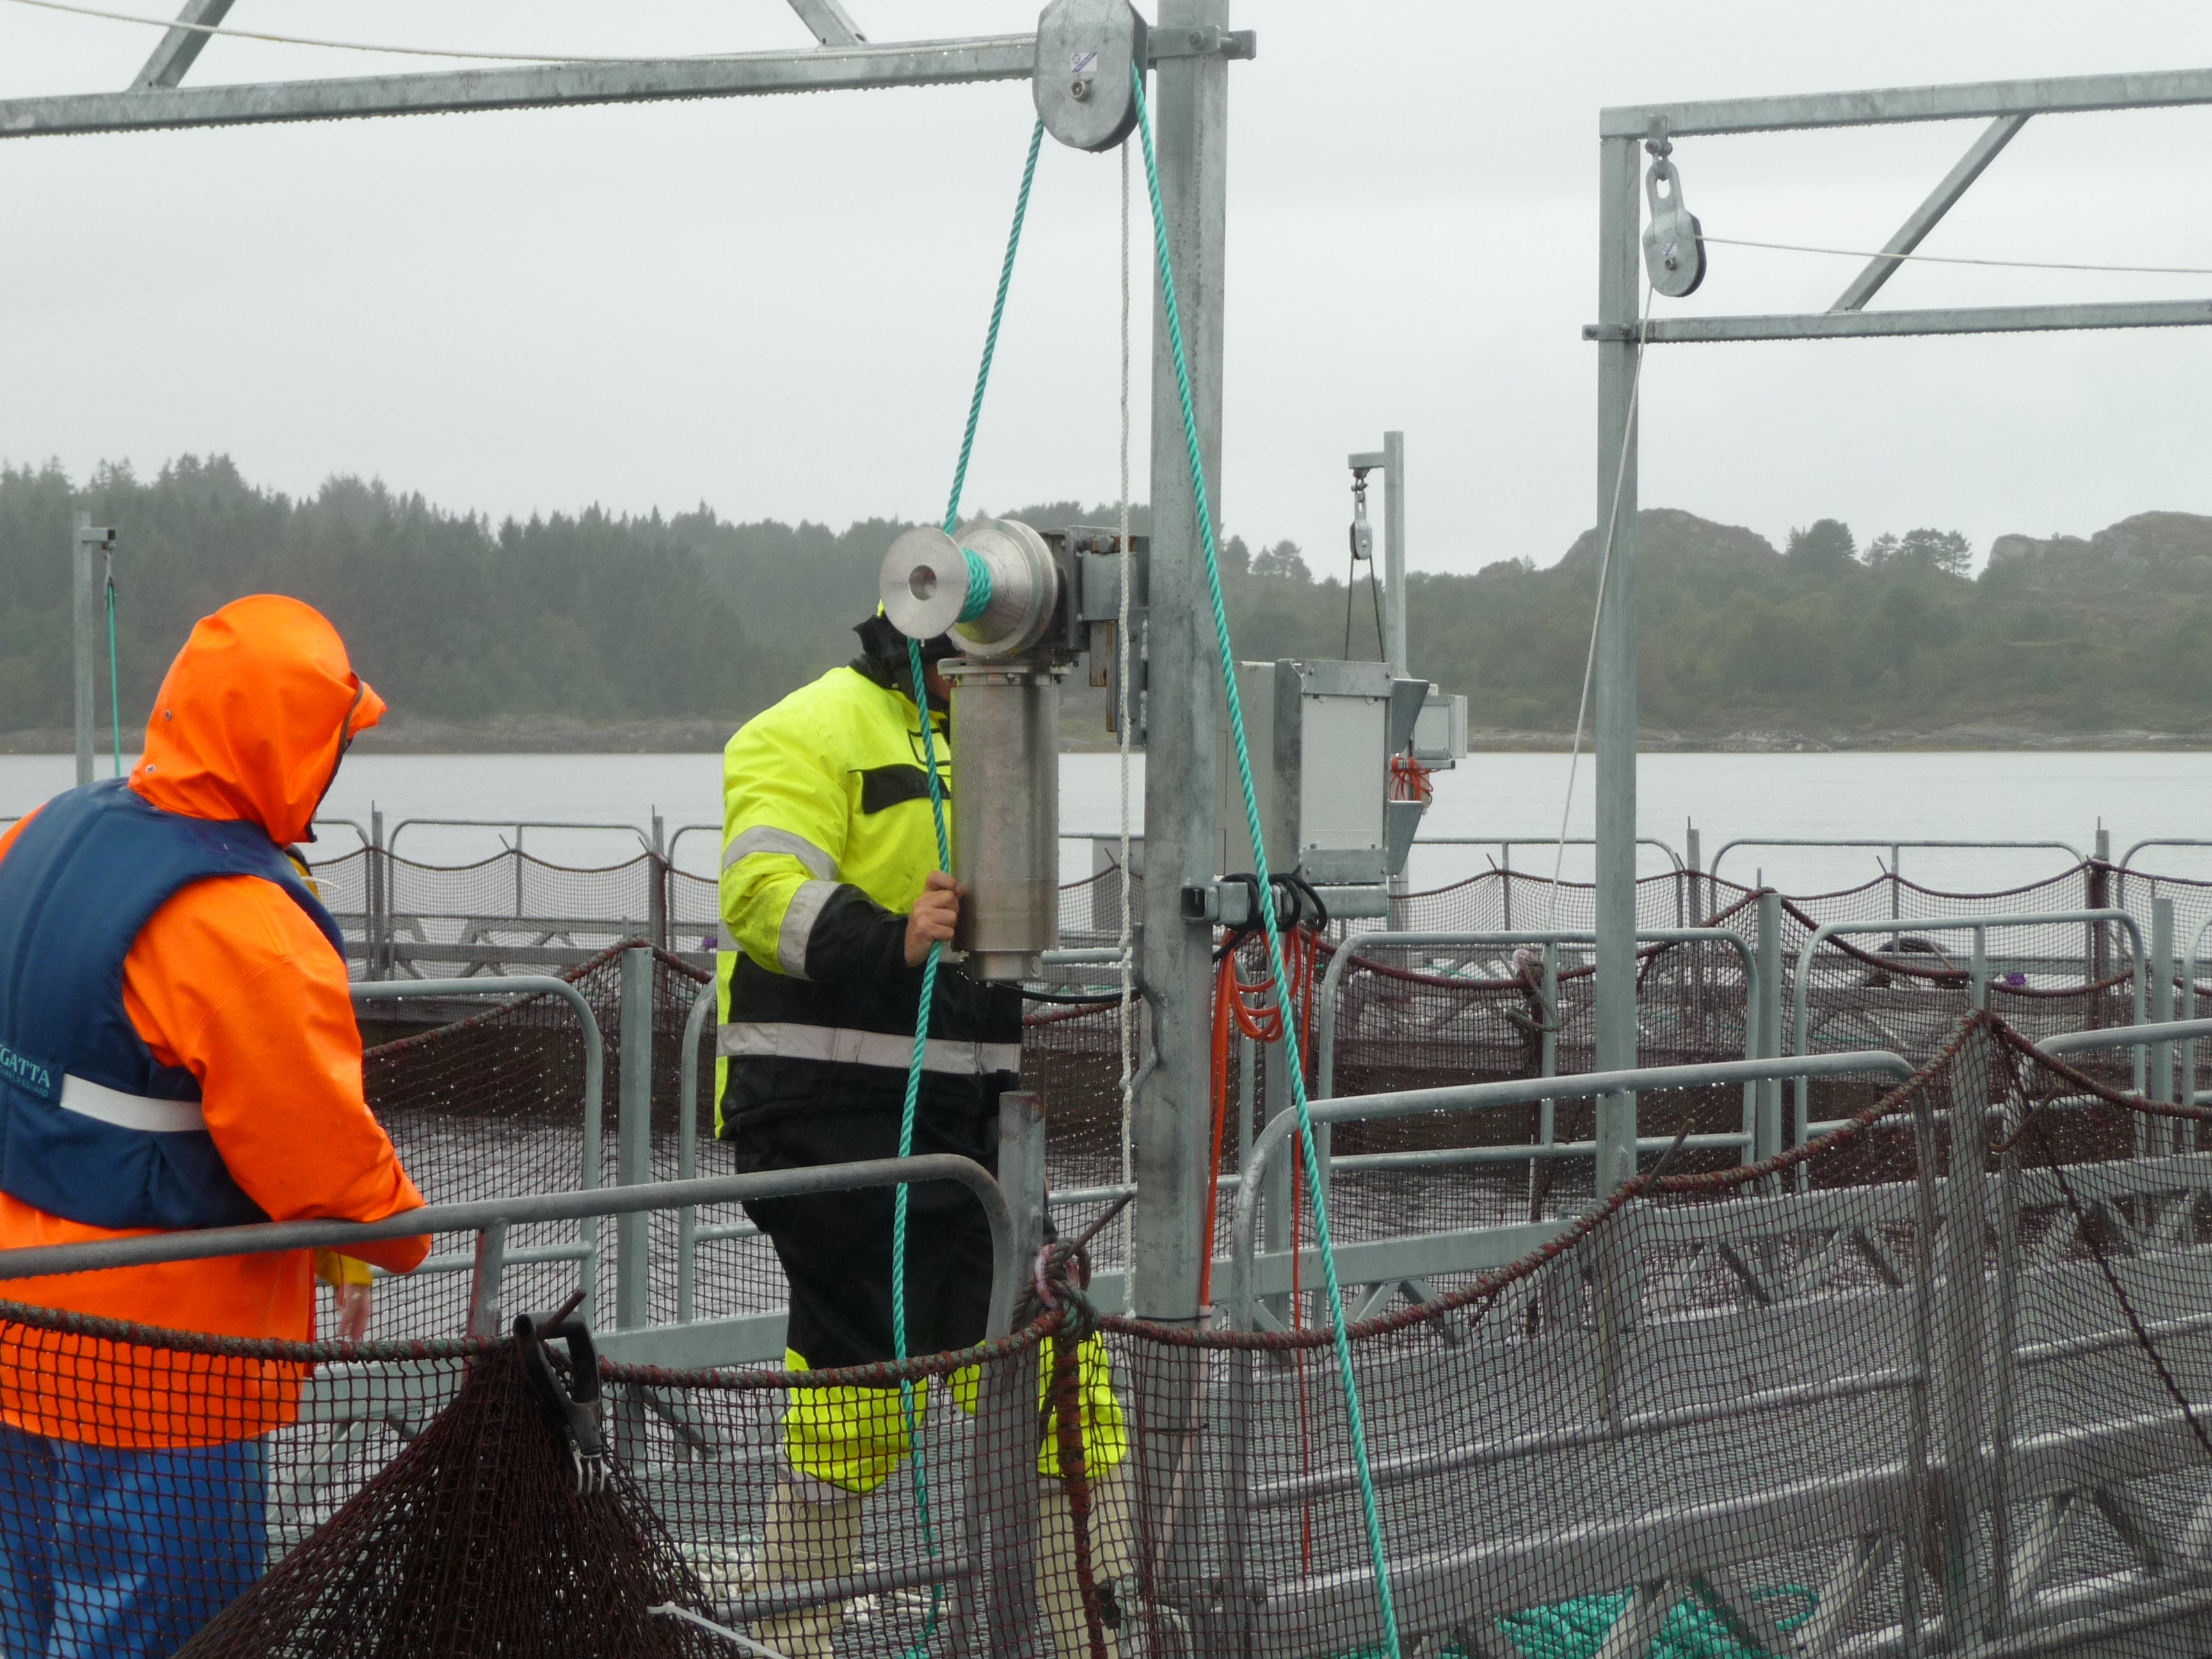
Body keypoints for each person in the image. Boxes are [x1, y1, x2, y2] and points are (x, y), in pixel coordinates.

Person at [0, 595, 431, 1659]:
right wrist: (400, 1233)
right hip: (160, 1371)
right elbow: (331, 1178)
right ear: (296, 746)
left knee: (26, 1616)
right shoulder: (246, 931)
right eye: (335, 740)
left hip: (15, 1331)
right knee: (172, 1634)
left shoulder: (39, 832)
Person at [717, 609, 1128, 1657]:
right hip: (831, 1120)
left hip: (960, 1130)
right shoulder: (808, 728)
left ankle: (800, 1634)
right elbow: (760, 897)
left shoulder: (984, 742)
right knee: (1000, 1383)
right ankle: (1093, 1635)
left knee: (915, 1389)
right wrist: (889, 936)